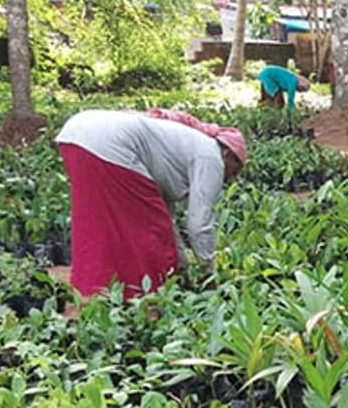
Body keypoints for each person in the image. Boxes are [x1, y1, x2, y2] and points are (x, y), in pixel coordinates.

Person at [54, 109, 247, 299]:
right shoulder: (211, 157)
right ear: (227, 154)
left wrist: (183, 269)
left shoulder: (179, 154)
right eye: (236, 169)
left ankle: (97, 290)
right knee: (147, 233)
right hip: (107, 143)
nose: (232, 178)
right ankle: (141, 295)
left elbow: (167, 221)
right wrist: (209, 275)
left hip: (76, 134)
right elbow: (199, 226)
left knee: (103, 223)